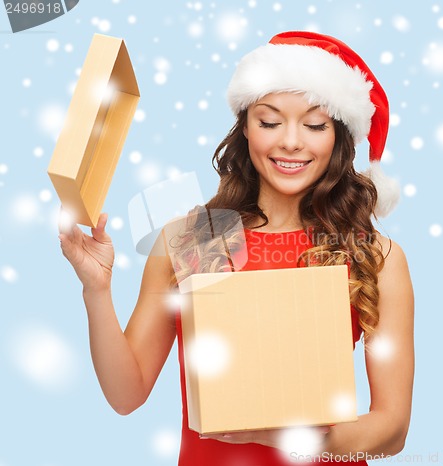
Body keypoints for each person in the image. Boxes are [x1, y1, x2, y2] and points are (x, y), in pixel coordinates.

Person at [58, 31, 414, 465]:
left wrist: (282, 437)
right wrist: (96, 290)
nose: (291, 142)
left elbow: (392, 428)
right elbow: (126, 394)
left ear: (339, 137)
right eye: (269, 121)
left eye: (315, 125)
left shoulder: (371, 255)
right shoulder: (196, 239)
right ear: (245, 127)